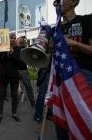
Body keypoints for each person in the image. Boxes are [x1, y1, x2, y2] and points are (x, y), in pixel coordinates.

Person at [52, 0, 92, 139]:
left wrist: (73, 43)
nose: (54, 4)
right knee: (60, 118)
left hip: (82, 76)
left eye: (58, 1)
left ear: (74, 2)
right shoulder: (56, 29)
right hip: (61, 78)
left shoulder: (87, 20)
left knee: (82, 118)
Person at [0, 33, 20, 123]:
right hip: (3, 76)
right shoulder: (2, 48)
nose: (13, 39)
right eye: (11, 38)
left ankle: (14, 113)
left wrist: (12, 53)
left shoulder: (18, 49)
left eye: (14, 38)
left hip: (14, 76)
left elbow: (19, 62)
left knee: (14, 96)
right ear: (7, 39)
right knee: (1, 96)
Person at [16, 36, 35, 107]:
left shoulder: (25, 48)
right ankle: (15, 104)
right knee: (16, 89)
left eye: (21, 40)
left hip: (24, 70)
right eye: (19, 39)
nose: (20, 41)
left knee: (28, 87)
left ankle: (32, 102)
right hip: (16, 70)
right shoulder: (14, 49)